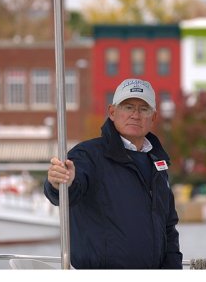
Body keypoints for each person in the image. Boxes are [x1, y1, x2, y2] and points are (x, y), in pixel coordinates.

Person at [44, 78, 183, 269]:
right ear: (112, 112)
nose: (135, 115)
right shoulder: (86, 155)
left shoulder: (159, 162)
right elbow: (66, 193)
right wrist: (59, 182)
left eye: (144, 109)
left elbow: (168, 227)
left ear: (154, 117)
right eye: (128, 107)